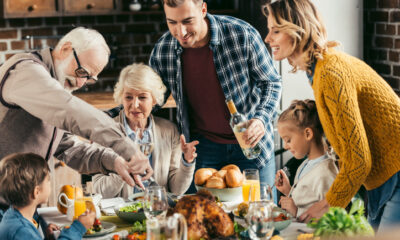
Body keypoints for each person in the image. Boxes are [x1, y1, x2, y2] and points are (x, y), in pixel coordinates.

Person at [263, 0, 400, 231]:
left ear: (298, 30)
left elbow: (359, 161)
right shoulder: (318, 72)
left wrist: (327, 204)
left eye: (276, 31)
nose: (268, 38)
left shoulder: (330, 73)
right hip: (385, 174)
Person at [0, 27, 152, 219]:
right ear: (65, 48)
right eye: (82, 72)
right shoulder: (26, 71)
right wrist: (126, 147)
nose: (81, 83)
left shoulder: (54, 88)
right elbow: (69, 109)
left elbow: (68, 148)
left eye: (88, 79)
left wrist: (115, 161)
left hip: (21, 206)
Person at [149, 0, 282, 193]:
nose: (181, 32)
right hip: (202, 148)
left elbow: (271, 82)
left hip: (250, 145)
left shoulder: (241, 34)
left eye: (188, 21)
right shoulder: (163, 50)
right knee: (202, 218)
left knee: (260, 215)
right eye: (172, 23)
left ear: (203, 9)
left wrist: (261, 119)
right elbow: (149, 99)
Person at [92, 63, 198, 198]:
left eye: (142, 97)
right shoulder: (105, 132)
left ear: (154, 100)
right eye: (128, 97)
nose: (135, 105)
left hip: (157, 209)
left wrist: (187, 162)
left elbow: (176, 190)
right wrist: (125, 169)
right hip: (120, 213)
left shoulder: (169, 131)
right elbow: (99, 190)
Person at [0, 153, 95, 240]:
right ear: (36, 192)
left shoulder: (11, 215)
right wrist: (78, 228)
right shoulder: (21, 231)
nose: (50, 183)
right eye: (48, 180)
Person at [275, 99, 338, 218]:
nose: (285, 146)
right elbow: (307, 200)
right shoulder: (306, 163)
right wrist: (289, 191)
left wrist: (296, 211)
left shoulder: (326, 174)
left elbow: (330, 218)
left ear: (308, 134)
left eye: (288, 140)